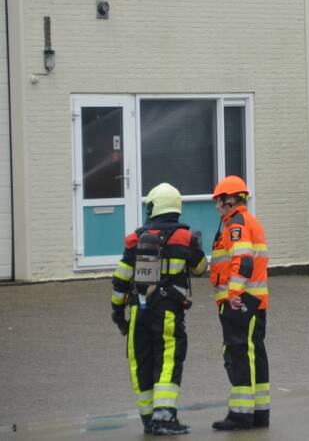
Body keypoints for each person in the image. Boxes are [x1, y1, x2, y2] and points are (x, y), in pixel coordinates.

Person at [110, 183, 207, 436]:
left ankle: (148, 418)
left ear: (153, 207)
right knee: (168, 360)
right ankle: (164, 416)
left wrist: (118, 311)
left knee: (140, 362)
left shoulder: (135, 239)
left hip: (137, 312)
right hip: (167, 312)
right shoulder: (185, 238)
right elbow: (200, 269)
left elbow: (121, 279)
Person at [209, 176, 270, 431]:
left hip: (240, 301)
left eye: (219, 201)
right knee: (254, 352)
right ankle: (258, 412)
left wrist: (233, 294)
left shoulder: (237, 224)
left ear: (230, 199)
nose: (216, 206)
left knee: (239, 353)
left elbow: (243, 261)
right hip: (252, 300)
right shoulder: (245, 222)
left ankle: (241, 414)